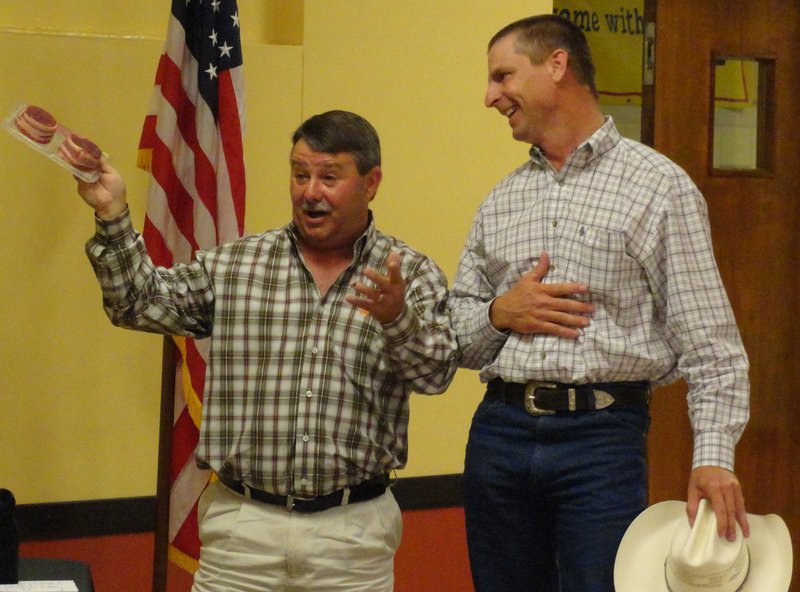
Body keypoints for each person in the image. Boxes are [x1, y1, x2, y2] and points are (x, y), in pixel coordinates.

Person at [77, 110, 459, 592]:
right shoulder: (238, 265)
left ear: (371, 182)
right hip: (243, 529)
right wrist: (112, 214)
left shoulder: (409, 274)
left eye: (329, 177)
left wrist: (396, 320)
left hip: (352, 534)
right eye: (300, 174)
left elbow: (437, 375)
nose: (310, 192)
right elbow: (136, 303)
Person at [449, 14, 751, 592]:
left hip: (601, 439)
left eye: (502, 75)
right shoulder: (501, 200)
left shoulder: (658, 186)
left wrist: (714, 455)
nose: (490, 97)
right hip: (499, 435)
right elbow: (456, 338)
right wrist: (498, 313)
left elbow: (711, 344)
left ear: (556, 64)